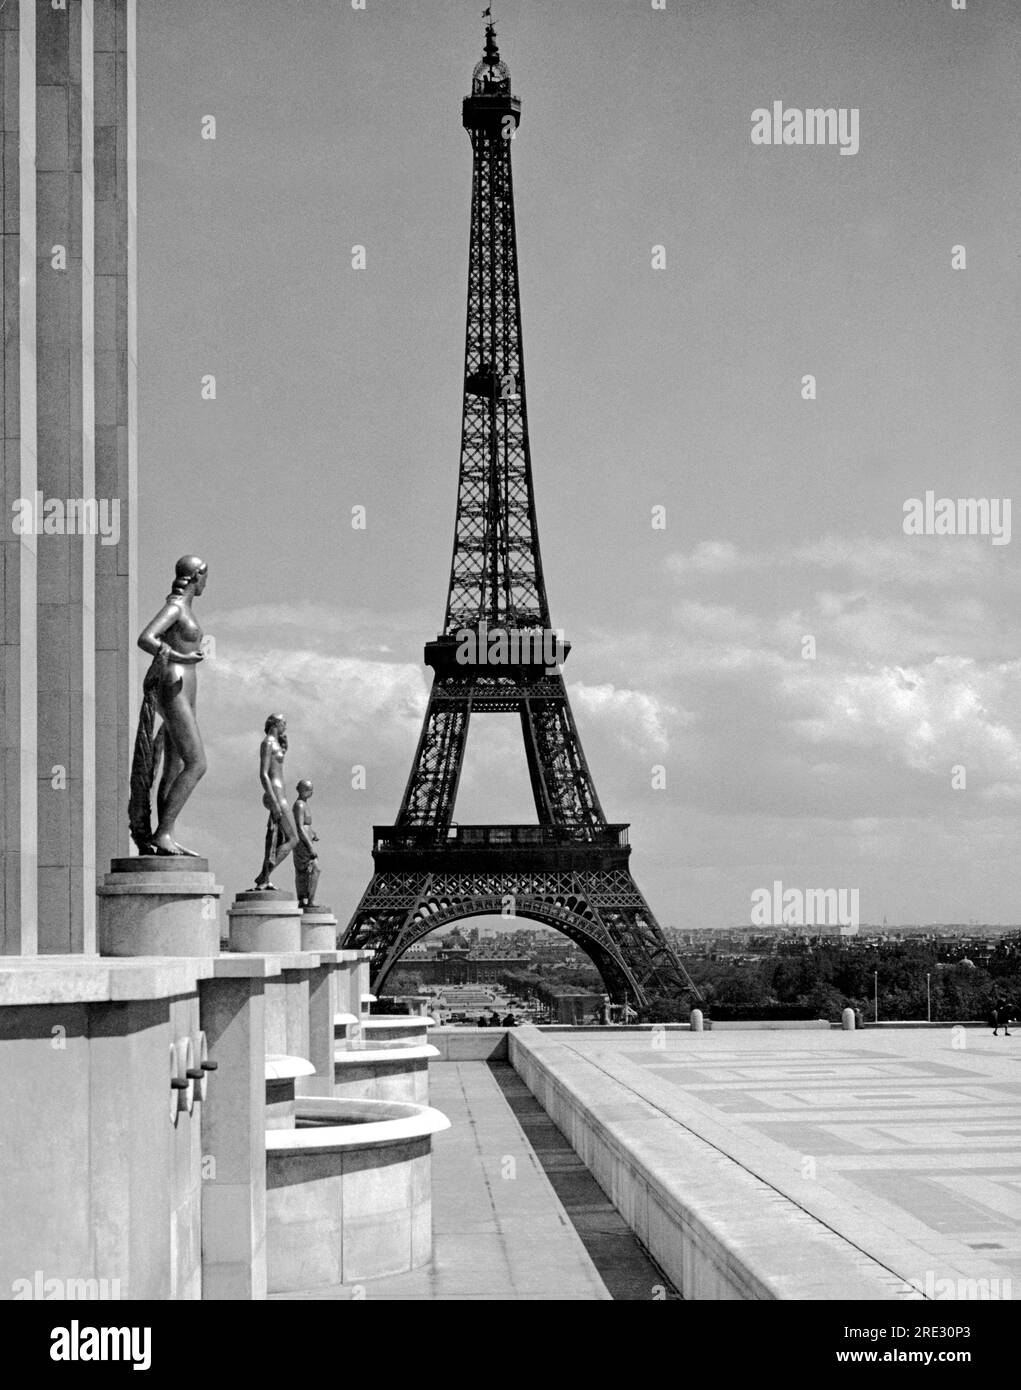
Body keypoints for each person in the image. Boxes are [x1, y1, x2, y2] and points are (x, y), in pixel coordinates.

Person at [129, 555, 208, 855]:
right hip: (172, 683)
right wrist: (182, 657)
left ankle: (165, 836)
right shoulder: (175, 607)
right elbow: (145, 638)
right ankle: (162, 832)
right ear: (198, 575)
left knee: (174, 766)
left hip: (184, 688)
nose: (206, 584)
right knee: (198, 763)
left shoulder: (185, 608)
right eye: (205, 577)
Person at [254, 714, 299, 889]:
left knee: (277, 838)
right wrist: (272, 798)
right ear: (275, 724)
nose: (285, 727)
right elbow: (263, 773)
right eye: (283, 724)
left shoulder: (275, 744)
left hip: (279, 794)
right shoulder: (268, 743)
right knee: (293, 838)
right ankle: (264, 875)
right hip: (276, 795)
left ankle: (264, 877)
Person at [292, 779, 321, 910]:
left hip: (306, 840)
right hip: (302, 843)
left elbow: (306, 825)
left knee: (308, 870)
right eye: (309, 789)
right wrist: (310, 846)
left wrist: (313, 833)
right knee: (312, 869)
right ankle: (307, 899)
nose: (311, 792)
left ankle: (308, 899)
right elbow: (299, 827)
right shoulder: (299, 805)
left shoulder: (303, 804)